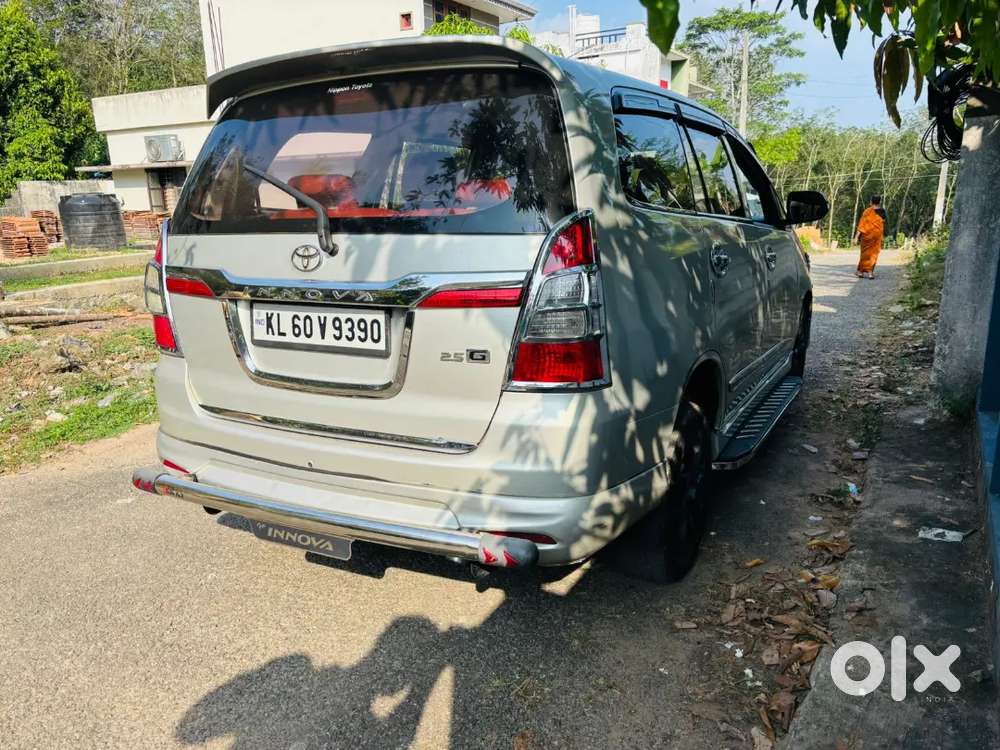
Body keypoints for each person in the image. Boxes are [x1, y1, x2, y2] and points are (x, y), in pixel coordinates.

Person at [854, 195, 888, 279]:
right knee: (874, 255)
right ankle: (870, 273)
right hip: (877, 237)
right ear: (879, 202)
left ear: (871, 202)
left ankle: (861, 272)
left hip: (866, 236)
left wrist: (856, 237)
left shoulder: (867, 211)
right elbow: (883, 225)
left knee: (864, 254)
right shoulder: (883, 212)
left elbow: (861, 225)